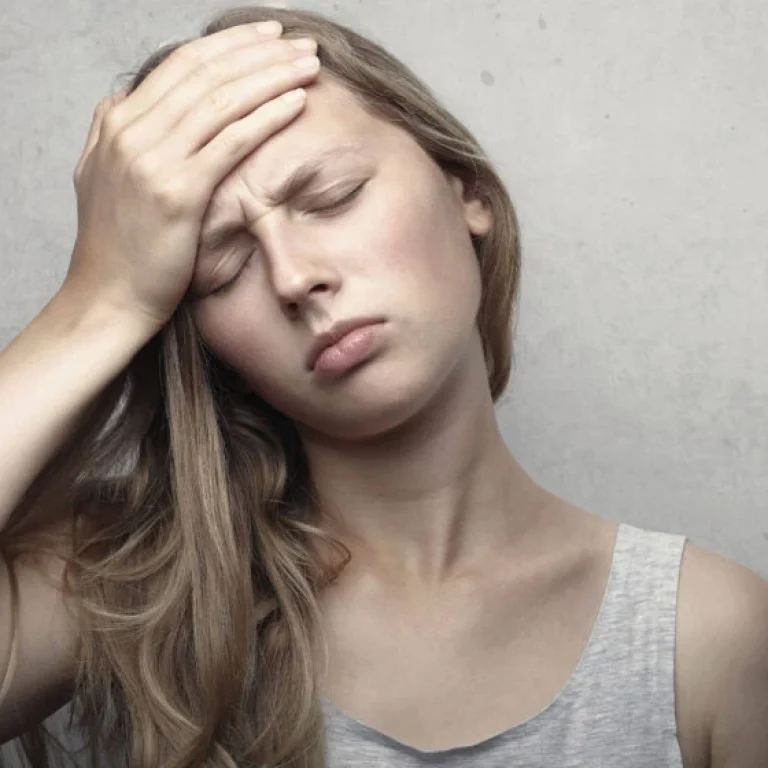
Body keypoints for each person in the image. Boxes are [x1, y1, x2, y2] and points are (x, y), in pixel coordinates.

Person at [0, 4, 767, 767]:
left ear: (465, 190)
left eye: (332, 197)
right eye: (225, 266)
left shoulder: (702, 635)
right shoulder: (141, 588)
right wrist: (100, 300)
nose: (297, 277)